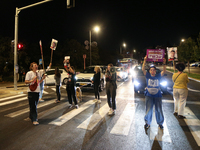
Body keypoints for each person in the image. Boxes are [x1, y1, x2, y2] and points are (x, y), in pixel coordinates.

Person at [142, 55, 166, 129]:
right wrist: (144, 61)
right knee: (149, 109)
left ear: (155, 71)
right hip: (149, 95)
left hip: (157, 95)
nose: (152, 71)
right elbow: (143, 69)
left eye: (154, 70)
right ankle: (147, 123)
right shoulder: (148, 76)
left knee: (158, 109)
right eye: (151, 70)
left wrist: (164, 63)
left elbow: (164, 71)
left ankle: (160, 123)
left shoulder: (158, 76)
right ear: (149, 71)